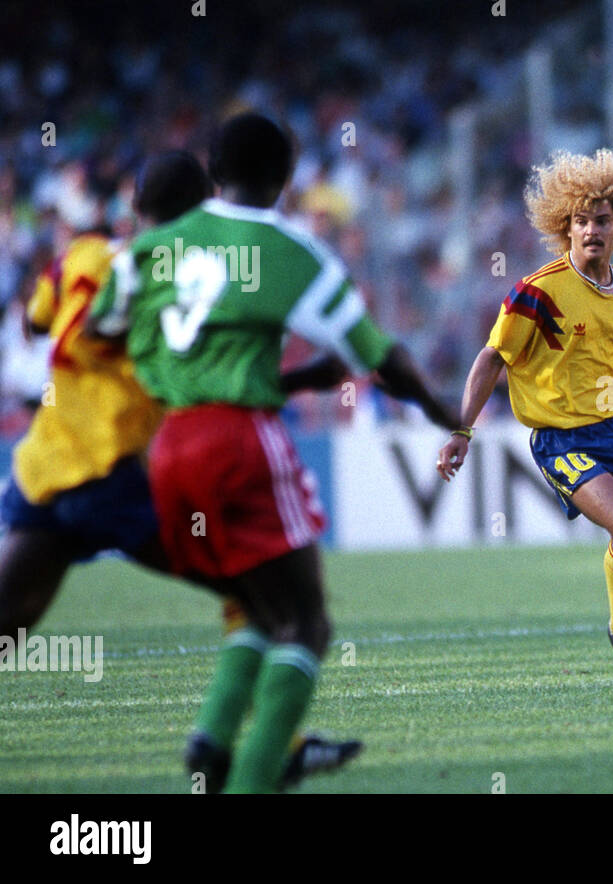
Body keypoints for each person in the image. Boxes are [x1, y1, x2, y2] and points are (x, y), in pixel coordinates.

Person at [89, 115, 459, 792]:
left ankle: (213, 732)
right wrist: (442, 411)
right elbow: (380, 357)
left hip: (167, 449)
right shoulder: (290, 247)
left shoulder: (150, 249)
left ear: (212, 167)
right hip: (238, 441)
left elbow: (101, 327)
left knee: (257, 607)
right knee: (306, 621)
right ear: (287, 175)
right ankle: (252, 781)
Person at [0, 150, 361, 790]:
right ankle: (272, 747)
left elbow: (35, 320)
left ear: (135, 211)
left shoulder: (85, 254)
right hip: (114, 475)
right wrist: (306, 376)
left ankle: (247, 742)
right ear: (205, 213)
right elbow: (211, 380)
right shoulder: (176, 283)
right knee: (261, 597)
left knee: (10, 615)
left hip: (43, 468)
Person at [436, 149, 613, 683]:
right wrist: (463, 429)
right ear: (566, 227)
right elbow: (492, 357)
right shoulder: (538, 293)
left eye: (602, 220)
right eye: (581, 220)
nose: (592, 230)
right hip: (561, 439)